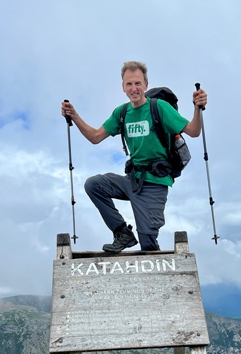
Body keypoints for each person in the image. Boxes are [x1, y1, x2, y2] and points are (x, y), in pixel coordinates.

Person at [61, 60, 207, 252]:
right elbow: (95, 137)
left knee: (148, 244)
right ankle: (122, 233)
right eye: (129, 84)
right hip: (133, 180)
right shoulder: (122, 113)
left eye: (138, 83)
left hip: (155, 183)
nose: (134, 88)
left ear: (146, 85)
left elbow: (194, 131)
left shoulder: (159, 107)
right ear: (123, 87)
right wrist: (74, 115)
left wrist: (197, 107)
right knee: (94, 184)